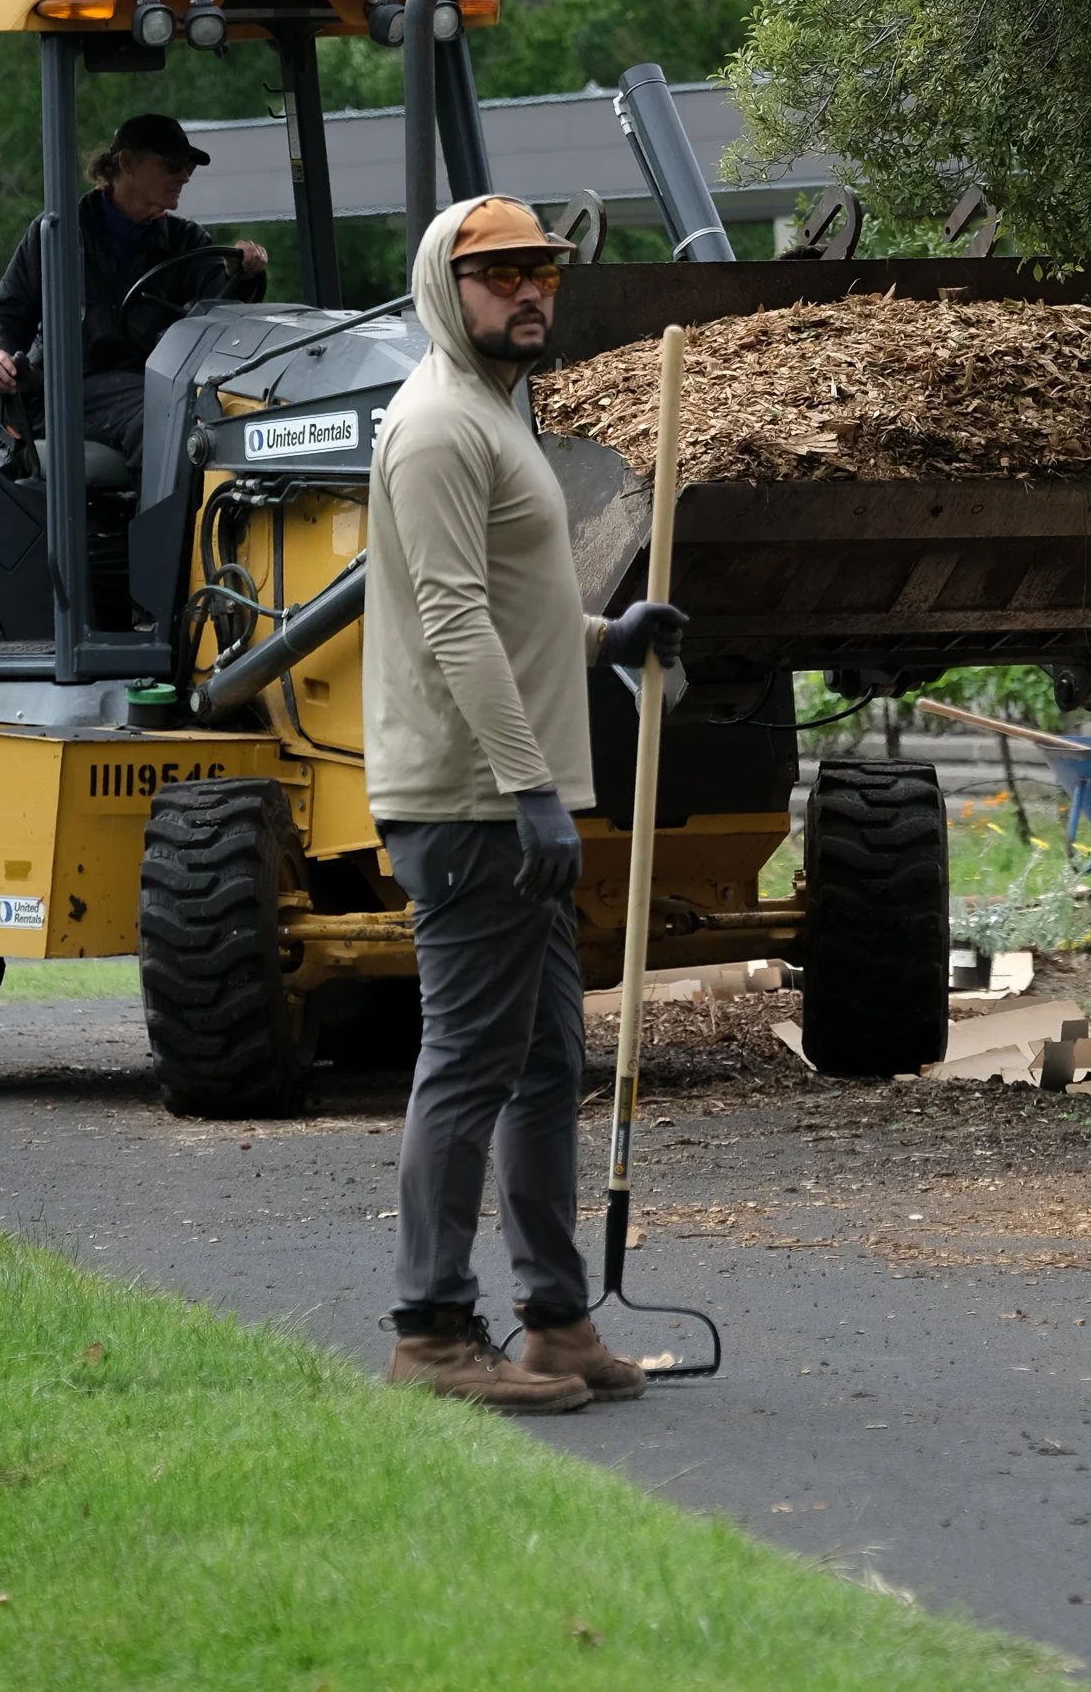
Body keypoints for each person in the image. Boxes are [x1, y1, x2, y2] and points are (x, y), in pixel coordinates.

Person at [367, 193, 687, 1414]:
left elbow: (511, 601)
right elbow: (448, 618)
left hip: (513, 799)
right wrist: (527, 787)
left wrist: (608, 632)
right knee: (468, 1061)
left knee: (545, 1062)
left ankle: (554, 1323)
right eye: (499, 276)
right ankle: (432, 1332)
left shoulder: (499, 416)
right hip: (473, 803)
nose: (528, 293)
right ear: (448, 290)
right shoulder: (442, 426)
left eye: (539, 273)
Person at [0, 111, 266, 472]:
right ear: (126, 163)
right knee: (165, 413)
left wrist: (240, 275)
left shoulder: (186, 241)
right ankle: (162, 529)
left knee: (230, 408)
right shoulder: (60, 233)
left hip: (148, 383)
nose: (183, 176)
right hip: (66, 390)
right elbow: (8, 312)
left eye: (189, 168)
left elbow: (218, 314)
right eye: (172, 164)